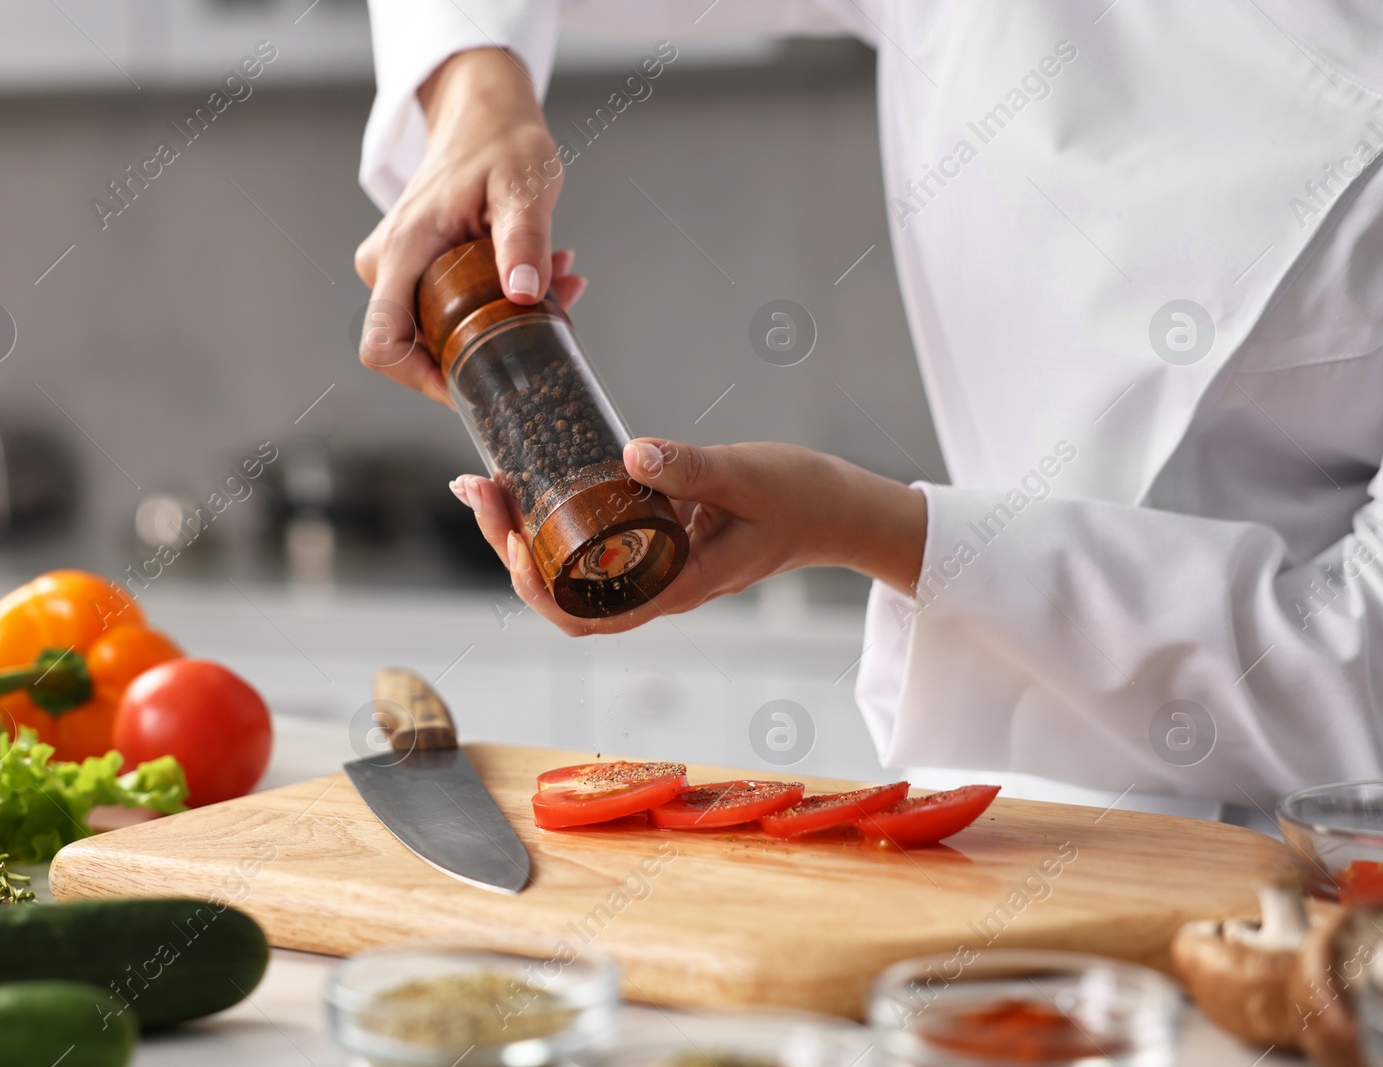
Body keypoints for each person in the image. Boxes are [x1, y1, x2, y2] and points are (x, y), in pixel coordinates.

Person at [353, 1, 1383, 809]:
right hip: (1026, 813)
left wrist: (867, 525)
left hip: (1328, 873)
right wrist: (475, 92)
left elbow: (1356, 670)